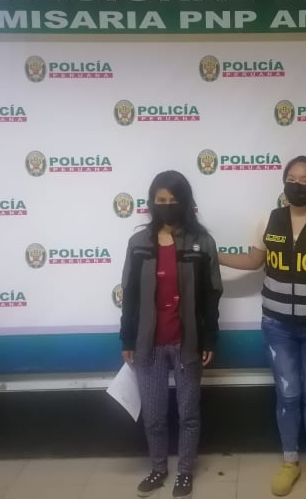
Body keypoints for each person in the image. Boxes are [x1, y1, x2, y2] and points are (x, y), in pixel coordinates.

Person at [218, 156, 306, 497]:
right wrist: (213, 255)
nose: (298, 185)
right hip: (277, 327)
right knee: (288, 394)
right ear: (283, 182)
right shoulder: (269, 220)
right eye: (292, 178)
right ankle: (290, 461)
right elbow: (253, 260)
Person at [120, 170, 222, 499]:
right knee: (154, 415)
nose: (167, 205)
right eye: (160, 200)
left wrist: (210, 338)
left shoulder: (202, 243)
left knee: (188, 413)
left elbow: (212, 295)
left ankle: (185, 472)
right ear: (151, 203)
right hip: (148, 343)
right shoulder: (138, 244)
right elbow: (129, 295)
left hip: (187, 342)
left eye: (174, 200)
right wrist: (126, 339)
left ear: (186, 202)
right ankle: (159, 469)